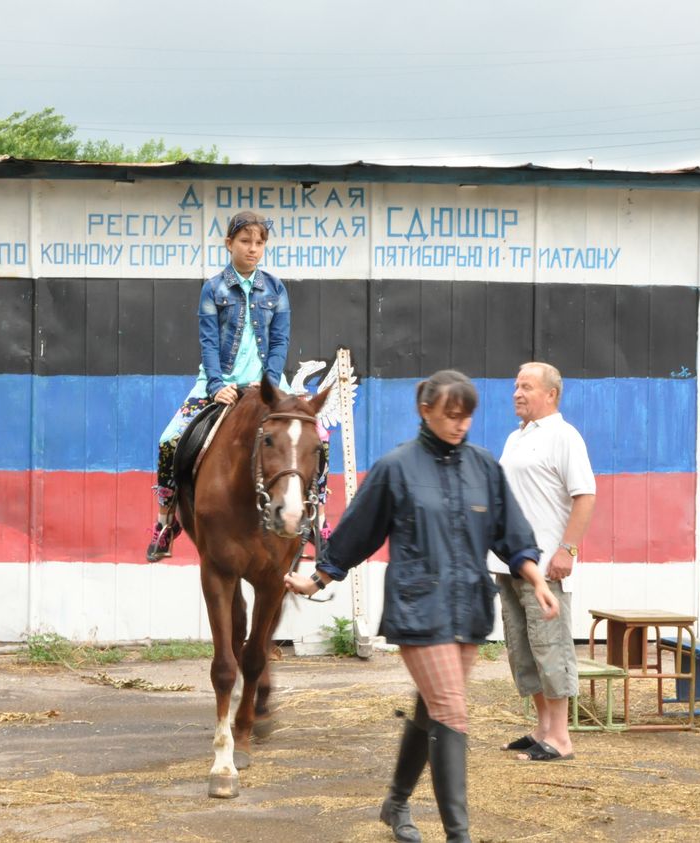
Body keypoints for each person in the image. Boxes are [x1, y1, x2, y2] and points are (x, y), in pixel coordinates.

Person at [285, 369, 558, 843]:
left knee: (433, 708)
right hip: (417, 607)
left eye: (467, 416)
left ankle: (395, 803)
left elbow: (510, 532)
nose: (460, 425)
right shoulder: (396, 467)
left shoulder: (484, 467)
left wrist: (535, 578)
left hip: (468, 608)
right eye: (451, 415)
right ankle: (459, 836)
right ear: (425, 410)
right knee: (452, 709)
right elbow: (358, 531)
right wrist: (319, 578)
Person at [146, 210, 328, 562]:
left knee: (317, 437)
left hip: (270, 385)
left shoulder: (276, 289)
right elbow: (208, 342)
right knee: (169, 439)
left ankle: (316, 517)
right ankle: (165, 522)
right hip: (219, 383)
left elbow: (280, 342)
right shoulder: (213, 289)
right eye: (245, 241)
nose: (253, 249)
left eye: (259, 243)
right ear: (229, 243)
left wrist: (271, 387)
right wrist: (216, 385)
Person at [492, 362, 596, 763]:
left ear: (551, 394)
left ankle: (562, 738)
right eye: (516, 386)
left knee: (550, 647)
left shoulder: (564, 436)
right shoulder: (515, 438)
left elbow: (585, 494)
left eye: (527, 387)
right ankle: (542, 730)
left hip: (547, 566)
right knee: (523, 649)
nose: (517, 393)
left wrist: (567, 549)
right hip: (509, 563)